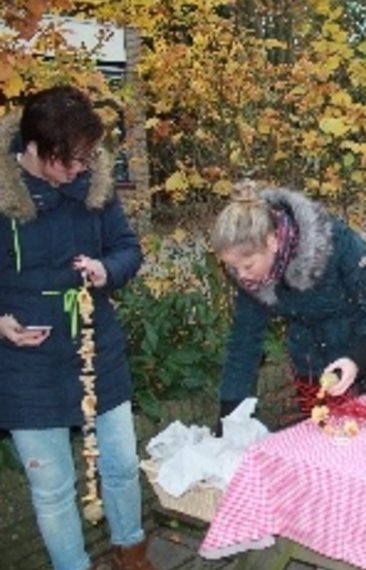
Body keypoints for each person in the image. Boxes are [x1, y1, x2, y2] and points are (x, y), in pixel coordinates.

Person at [0, 86, 152, 570]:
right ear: (35, 149)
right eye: (70, 161)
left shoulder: (95, 188)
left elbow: (128, 248)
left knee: (123, 464)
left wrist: (109, 270)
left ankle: (131, 552)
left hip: (95, 346)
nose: (81, 169)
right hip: (25, 364)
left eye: (87, 157)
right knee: (52, 488)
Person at [212, 182, 366, 420]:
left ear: (272, 242)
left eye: (247, 265)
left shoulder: (334, 241)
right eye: (233, 267)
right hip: (311, 372)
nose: (242, 275)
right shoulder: (253, 278)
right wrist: (228, 419)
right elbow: (244, 344)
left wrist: (357, 359)